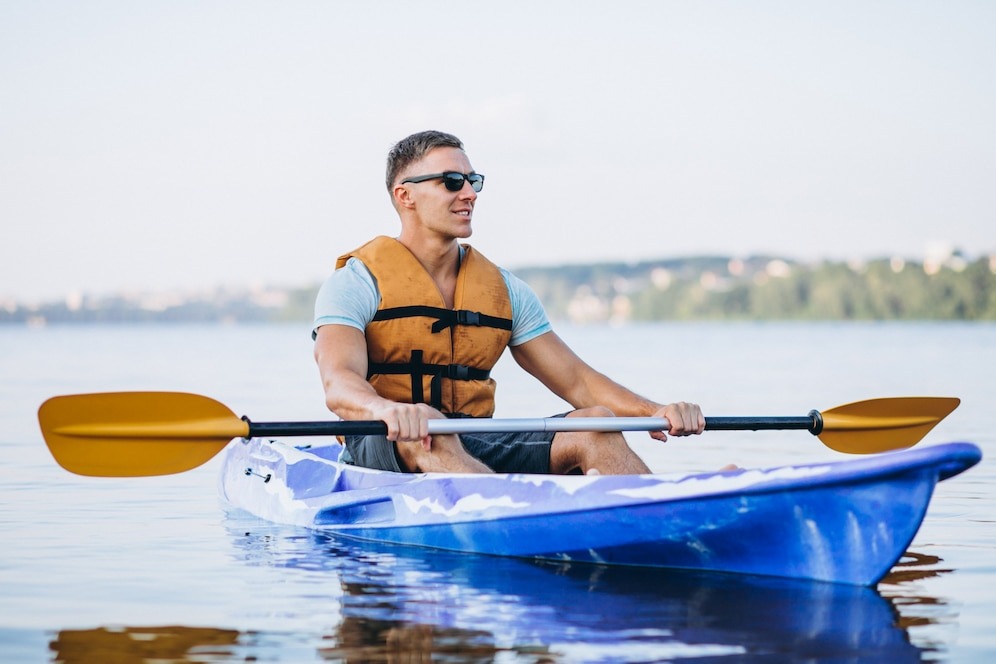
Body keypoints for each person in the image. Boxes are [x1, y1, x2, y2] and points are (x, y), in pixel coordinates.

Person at [313, 130, 704, 475]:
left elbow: (577, 381)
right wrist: (386, 410)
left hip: (474, 439)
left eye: (473, 181)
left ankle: (666, 517)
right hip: (384, 438)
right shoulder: (355, 282)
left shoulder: (504, 289)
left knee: (596, 424)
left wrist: (654, 411)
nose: (469, 193)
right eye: (451, 182)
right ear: (405, 195)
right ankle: (503, 515)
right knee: (429, 431)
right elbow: (339, 382)